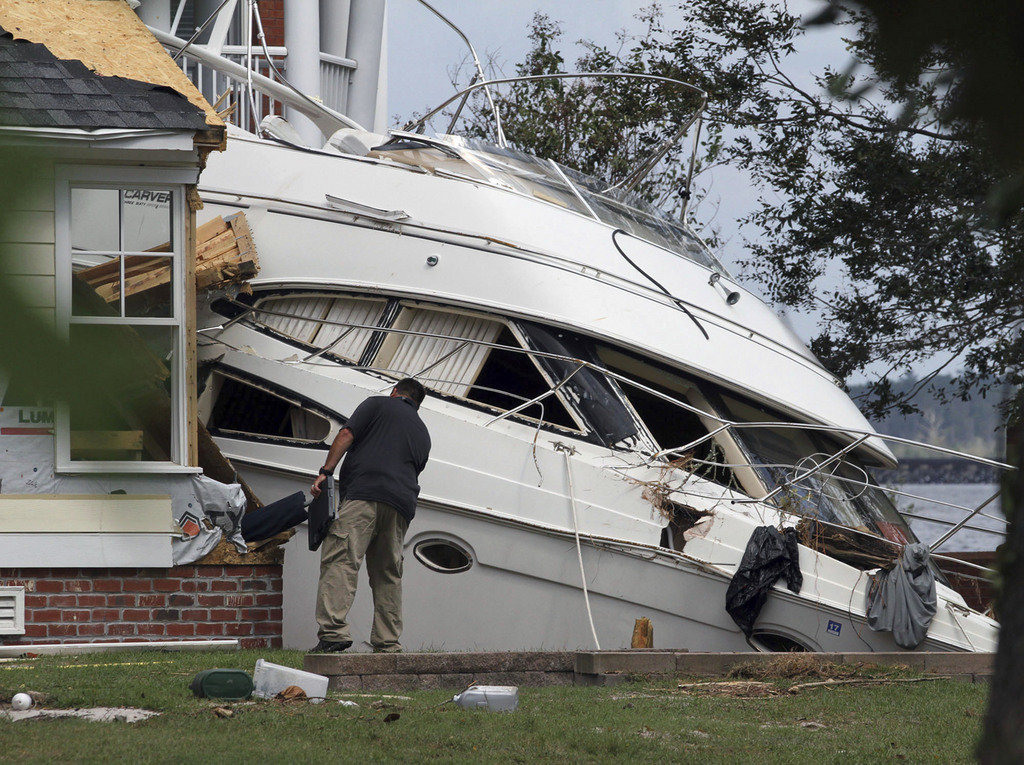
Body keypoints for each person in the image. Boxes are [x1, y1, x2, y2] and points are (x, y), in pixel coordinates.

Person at [308, 378, 431, 653]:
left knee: (342, 560)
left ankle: (333, 632)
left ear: (395, 392)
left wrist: (326, 471)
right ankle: (388, 643)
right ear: (417, 405)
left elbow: (345, 435)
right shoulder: (423, 433)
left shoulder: (378, 404)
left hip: (365, 493)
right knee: (388, 574)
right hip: (400, 505)